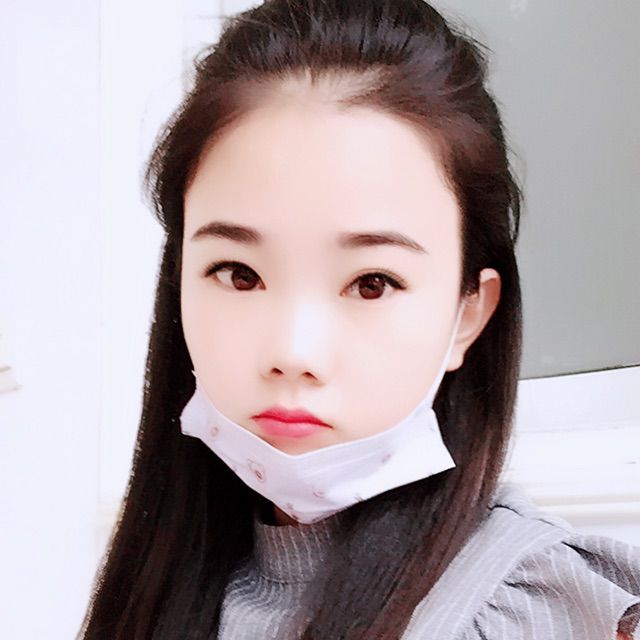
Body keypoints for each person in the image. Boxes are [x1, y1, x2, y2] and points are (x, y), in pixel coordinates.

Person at [78, 0, 640, 638]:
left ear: (468, 314)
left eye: (373, 283)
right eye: (239, 274)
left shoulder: (537, 610)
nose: (293, 352)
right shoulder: (157, 585)